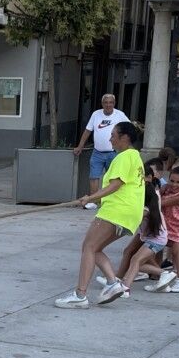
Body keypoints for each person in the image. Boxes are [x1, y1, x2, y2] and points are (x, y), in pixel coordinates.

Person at [55, 120, 144, 308]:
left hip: (116, 211)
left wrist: (91, 197)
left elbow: (115, 185)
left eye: (113, 135)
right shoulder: (135, 156)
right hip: (129, 214)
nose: (110, 139)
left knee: (88, 246)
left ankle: (80, 295)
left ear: (124, 138)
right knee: (94, 248)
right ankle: (112, 283)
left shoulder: (123, 157)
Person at [146, 165, 179, 293]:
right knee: (157, 248)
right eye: (172, 181)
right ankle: (159, 275)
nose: (174, 184)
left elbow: (159, 203)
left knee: (176, 251)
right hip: (169, 227)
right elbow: (157, 194)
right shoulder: (166, 189)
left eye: (178, 182)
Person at [74, 94, 131, 205]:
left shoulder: (120, 115)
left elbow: (129, 129)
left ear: (114, 103)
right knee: (94, 177)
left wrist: (125, 147)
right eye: (106, 102)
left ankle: (111, 201)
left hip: (113, 153)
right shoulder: (96, 114)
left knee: (113, 178)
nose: (108, 105)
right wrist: (80, 146)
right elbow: (87, 131)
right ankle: (94, 201)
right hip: (97, 152)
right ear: (102, 104)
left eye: (111, 102)